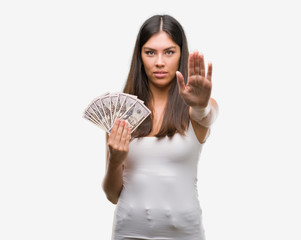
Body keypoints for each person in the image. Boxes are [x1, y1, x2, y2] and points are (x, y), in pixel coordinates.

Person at [102, 14, 219, 240]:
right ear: (140, 56)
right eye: (150, 52)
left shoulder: (196, 109)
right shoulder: (120, 111)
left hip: (185, 234)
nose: (159, 62)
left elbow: (207, 115)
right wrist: (115, 161)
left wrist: (201, 106)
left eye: (169, 52)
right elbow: (112, 195)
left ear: (180, 54)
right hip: (129, 233)